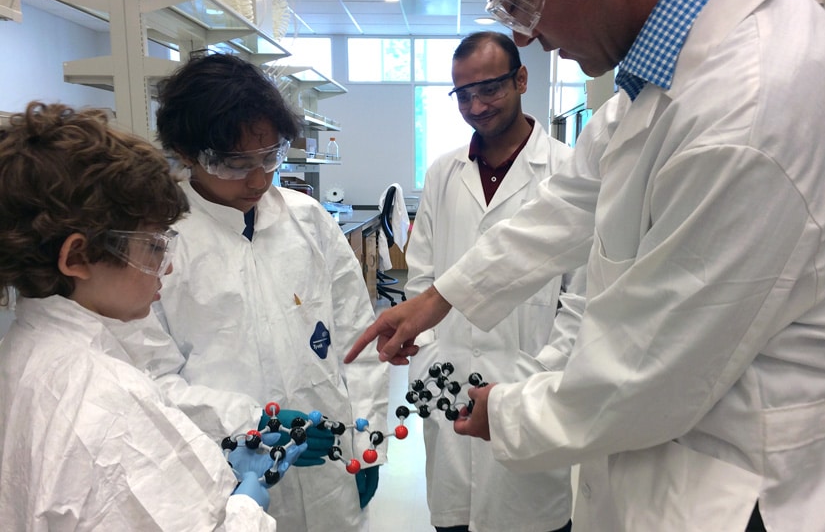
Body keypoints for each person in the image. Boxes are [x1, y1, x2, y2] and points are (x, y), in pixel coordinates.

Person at [346, 0, 825, 530]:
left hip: (735, 496)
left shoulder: (749, 106)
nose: (527, 35)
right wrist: (439, 297)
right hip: (663, 461)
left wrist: (505, 412)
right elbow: (566, 205)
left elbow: (650, 378)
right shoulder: (665, 75)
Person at [0, 101, 299, 530]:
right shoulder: (101, 397)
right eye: (154, 248)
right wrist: (244, 508)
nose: (169, 266)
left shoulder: (27, 352)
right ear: (78, 256)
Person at [151, 51, 389, 532]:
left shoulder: (308, 221)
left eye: (270, 156)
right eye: (236, 163)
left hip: (328, 472)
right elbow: (152, 382)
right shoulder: (160, 244)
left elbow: (360, 341)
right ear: (185, 151)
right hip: (228, 480)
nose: (259, 179)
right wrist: (250, 424)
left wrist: (369, 445)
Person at [406, 31, 588, 532]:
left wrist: (536, 379)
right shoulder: (444, 173)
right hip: (448, 381)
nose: (476, 105)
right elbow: (420, 277)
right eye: (463, 94)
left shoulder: (569, 170)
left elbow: (582, 298)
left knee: (529, 519)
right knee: (455, 519)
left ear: (522, 79)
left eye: (489, 89)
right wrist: (427, 356)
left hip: (528, 385)